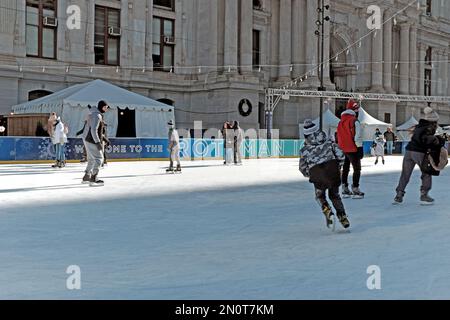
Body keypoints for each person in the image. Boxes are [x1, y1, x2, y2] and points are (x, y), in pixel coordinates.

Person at [299, 119, 350, 229]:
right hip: (333, 173)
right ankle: (343, 216)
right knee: (335, 195)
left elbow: (303, 168)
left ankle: (327, 210)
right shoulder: (329, 143)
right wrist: (338, 166)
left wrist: (310, 174)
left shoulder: (304, 150)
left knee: (320, 196)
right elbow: (341, 155)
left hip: (317, 176)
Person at [394, 107, 445, 205]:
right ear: (434, 120)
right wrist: (437, 140)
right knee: (426, 172)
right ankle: (424, 194)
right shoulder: (429, 127)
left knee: (405, 174)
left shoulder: (419, 126)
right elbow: (426, 139)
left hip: (409, 151)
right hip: (419, 152)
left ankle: (399, 194)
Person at [336, 99, 365, 199]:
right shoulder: (354, 121)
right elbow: (358, 137)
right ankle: (355, 188)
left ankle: (344, 188)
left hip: (344, 148)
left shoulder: (341, 121)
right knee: (357, 169)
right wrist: (360, 148)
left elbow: (338, 136)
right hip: (353, 149)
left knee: (346, 169)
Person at [81, 100, 109, 186]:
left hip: (87, 138)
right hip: (91, 139)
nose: (106, 109)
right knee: (99, 158)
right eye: (105, 107)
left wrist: (104, 139)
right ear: (101, 107)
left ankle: (87, 176)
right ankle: (93, 178)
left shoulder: (92, 114)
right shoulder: (97, 115)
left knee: (91, 159)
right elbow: (93, 130)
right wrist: (97, 142)